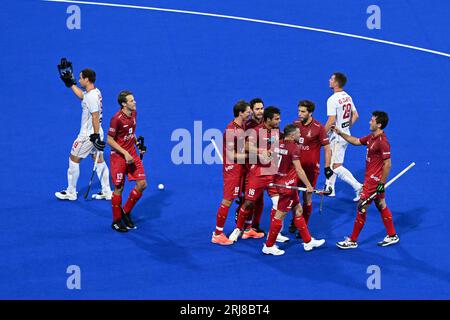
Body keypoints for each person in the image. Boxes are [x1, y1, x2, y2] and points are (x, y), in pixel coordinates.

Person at [333, 111, 400, 249]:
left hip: (374, 182)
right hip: (371, 179)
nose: (369, 122)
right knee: (381, 204)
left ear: (379, 124)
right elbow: (356, 141)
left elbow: (388, 164)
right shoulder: (371, 137)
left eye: (372, 120)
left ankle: (352, 240)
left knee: (361, 207)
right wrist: (340, 133)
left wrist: (381, 184)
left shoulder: (383, 142)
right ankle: (392, 235)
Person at [263, 125, 326, 255]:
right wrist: (309, 185)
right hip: (288, 186)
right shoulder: (295, 148)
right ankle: (269, 245)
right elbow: (299, 169)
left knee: (298, 210)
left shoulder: (277, 144)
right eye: (298, 133)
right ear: (291, 135)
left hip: (281, 182)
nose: (300, 135)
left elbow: (270, 160)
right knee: (279, 215)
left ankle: (308, 242)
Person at [55, 62, 112, 201]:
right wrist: (71, 84)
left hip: (88, 135)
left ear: (87, 79)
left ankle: (71, 192)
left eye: (80, 78)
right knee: (98, 159)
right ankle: (107, 191)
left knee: (73, 159)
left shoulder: (92, 96)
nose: (79, 80)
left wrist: (95, 136)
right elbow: (82, 96)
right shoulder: (95, 92)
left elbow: (95, 115)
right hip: (96, 132)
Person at [229, 106, 282, 243]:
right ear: (268, 119)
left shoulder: (276, 131)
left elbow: (281, 143)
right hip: (257, 173)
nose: (279, 121)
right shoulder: (256, 131)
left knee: (278, 203)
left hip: (272, 173)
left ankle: (275, 232)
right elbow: (246, 146)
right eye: (276, 119)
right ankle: (238, 229)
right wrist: (261, 151)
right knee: (248, 203)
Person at [212, 100, 251, 245]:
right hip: (232, 170)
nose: (250, 113)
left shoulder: (243, 125)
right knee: (227, 200)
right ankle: (217, 234)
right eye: (248, 111)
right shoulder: (231, 130)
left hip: (241, 168)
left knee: (242, 197)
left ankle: (246, 227)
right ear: (240, 113)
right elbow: (231, 156)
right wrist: (253, 156)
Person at [107, 91, 147, 232]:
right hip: (119, 157)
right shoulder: (116, 119)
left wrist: (137, 145)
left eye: (134, 99)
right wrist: (124, 153)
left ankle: (125, 212)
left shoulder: (134, 113)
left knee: (142, 184)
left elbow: (130, 132)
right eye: (131, 100)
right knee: (119, 188)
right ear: (124, 104)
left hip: (132, 154)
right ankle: (117, 220)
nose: (134, 102)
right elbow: (109, 140)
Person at [290, 100, 332, 230]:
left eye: (303, 112)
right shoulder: (295, 124)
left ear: (310, 112)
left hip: (311, 170)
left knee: (307, 197)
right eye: (299, 111)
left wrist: (327, 167)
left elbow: (327, 148)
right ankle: (295, 220)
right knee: (294, 196)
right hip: (296, 168)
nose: (299, 114)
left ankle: (303, 226)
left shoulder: (319, 128)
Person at [324, 72, 363, 201]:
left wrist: (321, 135)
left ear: (336, 83)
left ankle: (358, 187)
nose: (329, 80)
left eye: (331, 79)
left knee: (336, 166)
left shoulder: (332, 99)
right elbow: (355, 115)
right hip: (345, 135)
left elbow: (331, 120)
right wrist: (345, 129)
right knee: (332, 162)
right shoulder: (347, 96)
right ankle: (330, 188)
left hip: (337, 137)